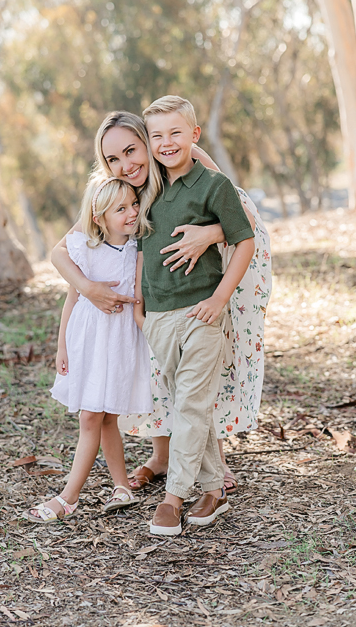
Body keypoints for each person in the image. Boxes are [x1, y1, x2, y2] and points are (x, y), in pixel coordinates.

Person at [51, 111, 271, 494]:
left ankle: (214, 457)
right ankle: (162, 454)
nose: (125, 165)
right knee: (160, 365)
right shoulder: (116, 189)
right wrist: (87, 288)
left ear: (146, 140)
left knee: (200, 361)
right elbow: (64, 250)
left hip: (203, 275)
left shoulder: (183, 154)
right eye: (112, 159)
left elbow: (239, 212)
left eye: (132, 151)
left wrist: (208, 232)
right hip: (154, 286)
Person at [137, 95, 254, 536]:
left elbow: (245, 240)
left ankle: (173, 497)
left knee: (189, 403)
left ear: (194, 135)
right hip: (159, 317)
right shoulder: (146, 187)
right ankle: (213, 488)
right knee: (190, 405)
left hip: (204, 312)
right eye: (158, 135)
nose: (167, 143)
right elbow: (136, 248)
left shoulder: (213, 186)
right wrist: (139, 309)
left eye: (175, 133)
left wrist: (220, 299)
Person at [23, 175, 149, 522]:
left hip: (119, 342)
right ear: (98, 217)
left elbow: (138, 303)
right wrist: (62, 345)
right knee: (92, 415)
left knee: (104, 415)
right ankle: (81, 494)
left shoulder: (136, 252)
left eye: (134, 205)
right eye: (120, 209)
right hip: (87, 342)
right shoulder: (85, 250)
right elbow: (72, 299)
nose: (131, 213)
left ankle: (84, 494)